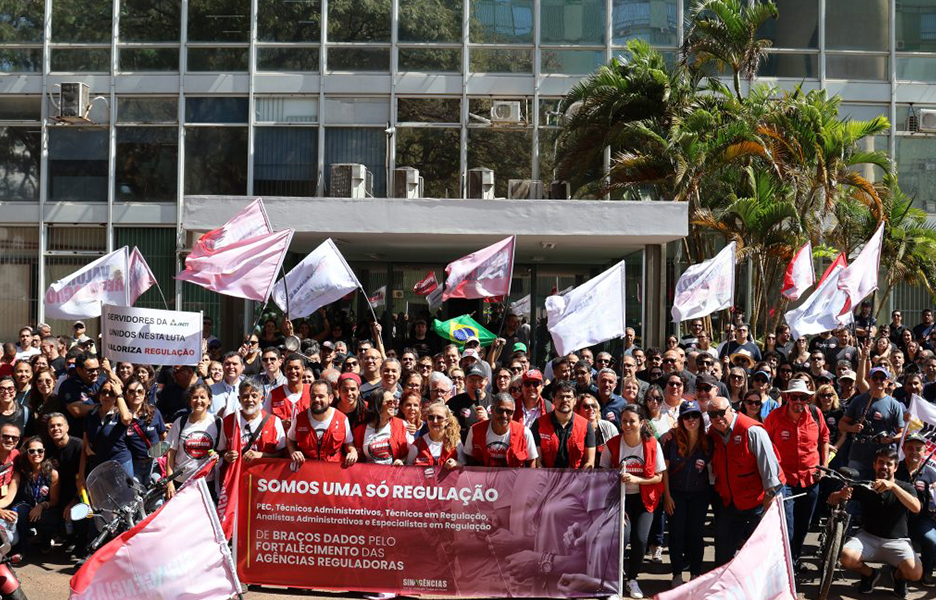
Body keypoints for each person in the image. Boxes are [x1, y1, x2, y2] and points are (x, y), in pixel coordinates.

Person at [832, 447, 922, 597]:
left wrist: (893, 487)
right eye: (881, 462)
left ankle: (898, 578)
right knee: (846, 557)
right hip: (867, 538)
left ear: (896, 467)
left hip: (897, 541)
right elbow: (831, 500)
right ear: (874, 465)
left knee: (915, 573)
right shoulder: (864, 485)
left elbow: (916, 507)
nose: (884, 467)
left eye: (889, 463)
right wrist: (840, 494)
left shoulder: (906, 487)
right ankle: (870, 574)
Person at [708, 396, 785, 567]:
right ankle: (723, 588)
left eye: (721, 413)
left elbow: (770, 470)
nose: (717, 418)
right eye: (712, 414)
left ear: (731, 410)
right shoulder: (713, 433)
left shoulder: (752, 431)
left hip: (758, 500)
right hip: (731, 500)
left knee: (756, 553)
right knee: (722, 549)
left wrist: (769, 498)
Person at [599, 404, 665, 599]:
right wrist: (615, 478)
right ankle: (614, 581)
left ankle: (632, 579)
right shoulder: (612, 444)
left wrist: (638, 480)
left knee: (641, 539)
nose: (627, 425)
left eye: (632, 421)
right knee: (622, 538)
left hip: (644, 500)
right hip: (620, 499)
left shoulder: (652, 443)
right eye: (624, 421)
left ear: (642, 422)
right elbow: (602, 473)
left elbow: (659, 477)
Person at [763, 378, 829, 566]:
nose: (799, 401)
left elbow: (825, 438)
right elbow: (765, 445)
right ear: (787, 397)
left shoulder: (816, 414)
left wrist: (823, 466)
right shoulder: (775, 417)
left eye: (803, 398)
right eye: (794, 397)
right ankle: (785, 566)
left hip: (811, 479)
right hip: (785, 480)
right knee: (787, 526)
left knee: (803, 525)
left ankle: (794, 558)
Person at [662, 401, 711, 587]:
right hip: (676, 493)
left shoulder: (708, 440)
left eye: (695, 416)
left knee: (696, 534)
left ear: (700, 417)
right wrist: (666, 495)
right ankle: (676, 574)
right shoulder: (671, 440)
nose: (691, 420)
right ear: (681, 420)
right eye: (687, 416)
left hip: (699, 494)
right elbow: (664, 470)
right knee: (676, 534)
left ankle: (696, 574)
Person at [839, 366, 905, 480]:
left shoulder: (894, 405)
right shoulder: (858, 400)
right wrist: (852, 428)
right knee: (853, 487)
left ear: (887, 382)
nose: (878, 381)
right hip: (858, 454)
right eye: (875, 378)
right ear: (869, 380)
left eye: (882, 378)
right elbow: (842, 424)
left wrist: (891, 439)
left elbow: (902, 432)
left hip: (882, 458)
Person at [165, 383, 220, 500]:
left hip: (205, 482)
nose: (198, 400)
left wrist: (217, 455)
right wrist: (169, 482)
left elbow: (222, 451)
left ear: (209, 400)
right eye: (195, 397)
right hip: (180, 481)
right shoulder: (180, 422)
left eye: (202, 397)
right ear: (190, 400)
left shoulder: (217, 422)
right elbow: (170, 454)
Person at [896, 433, 936, 587]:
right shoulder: (895, 469)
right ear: (903, 449)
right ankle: (897, 571)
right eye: (910, 448)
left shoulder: (931, 474)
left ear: (924, 451)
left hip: (922, 520)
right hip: (897, 520)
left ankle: (926, 572)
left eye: (918, 449)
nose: (914, 452)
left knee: (933, 541)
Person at [287, 380, 358, 466]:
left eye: (321, 396)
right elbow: (290, 440)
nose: (316, 400)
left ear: (330, 398)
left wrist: (353, 452)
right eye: (313, 396)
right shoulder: (300, 419)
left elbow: (349, 443)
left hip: (334, 469)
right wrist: (293, 452)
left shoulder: (342, 419)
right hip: (306, 469)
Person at [218, 380, 286, 465]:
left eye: (254, 396)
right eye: (245, 396)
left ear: (261, 399)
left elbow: (283, 453)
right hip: (237, 475)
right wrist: (226, 455)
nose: (250, 400)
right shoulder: (229, 421)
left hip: (264, 476)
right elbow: (220, 451)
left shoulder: (274, 422)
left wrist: (262, 455)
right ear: (239, 399)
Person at [79, 378, 133, 485]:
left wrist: (119, 394)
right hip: (99, 466)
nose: (107, 396)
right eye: (104, 392)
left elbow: (127, 419)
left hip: (120, 464)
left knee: (125, 499)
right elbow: (84, 447)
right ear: (99, 395)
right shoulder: (91, 415)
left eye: (112, 393)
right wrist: (81, 475)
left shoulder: (121, 414)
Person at [532, 381, 596, 469]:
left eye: (569, 397)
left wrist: (579, 480)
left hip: (576, 479)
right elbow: (537, 462)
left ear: (575, 401)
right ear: (553, 400)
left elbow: (590, 462)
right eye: (560, 397)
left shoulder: (586, 426)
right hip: (546, 478)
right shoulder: (539, 424)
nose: (565, 400)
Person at [461, 394, 537, 468]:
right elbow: (470, 462)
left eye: (509, 412)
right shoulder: (475, 430)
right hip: (483, 479)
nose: (504, 415)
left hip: (514, 479)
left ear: (513, 413)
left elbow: (531, 463)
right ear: (492, 410)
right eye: (500, 410)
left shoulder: (524, 432)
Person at [13, 436, 59, 556]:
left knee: (47, 516)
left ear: (44, 452)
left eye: (40, 451)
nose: (36, 454)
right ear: (26, 453)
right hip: (26, 506)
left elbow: (55, 500)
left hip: (44, 508)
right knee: (20, 512)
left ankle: (45, 541)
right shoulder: (22, 471)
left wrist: (41, 506)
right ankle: (20, 550)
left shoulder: (52, 473)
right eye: (31, 451)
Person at [124, 377, 166, 486]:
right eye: (131, 391)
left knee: (157, 498)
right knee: (136, 497)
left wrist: (161, 457)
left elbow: (163, 436)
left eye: (139, 391)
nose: (136, 394)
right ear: (125, 394)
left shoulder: (154, 412)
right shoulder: (123, 417)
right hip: (134, 465)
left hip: (154, 463)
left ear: (144, 394)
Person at [353, 390, 412, 465]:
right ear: (377, 405)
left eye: (394, 402)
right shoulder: (360, 431)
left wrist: (402, 461)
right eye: (389, 402)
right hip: (369, 474)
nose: (393, 405)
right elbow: (358, 459)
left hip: (395, 474)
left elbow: (412, 453)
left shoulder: (402, 425)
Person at [406, 403, 462, 468]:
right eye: (431, 417)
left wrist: (456, 464)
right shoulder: (417, 444)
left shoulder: (455, 442)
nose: (435, 421)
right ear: (427, 420)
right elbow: (408, 468)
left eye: (439, 418)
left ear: (446, 422)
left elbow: (465, 466)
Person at [265, 353, 310, 432]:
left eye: (296, 368)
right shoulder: (274, 394)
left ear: (303, 369)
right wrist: (279, 423)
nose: (293, 371)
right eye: (289, 368)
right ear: (284, 370)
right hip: (282, 442)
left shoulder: (311, 391)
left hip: (306, 441)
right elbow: (263, 421)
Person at [449, 365, 491, 439]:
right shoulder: (454, 402)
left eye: (480, 380)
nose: (476, 383)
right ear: (465, 381)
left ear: (486, 381)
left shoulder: (495, 402)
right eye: (472, 379)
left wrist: (487, 421)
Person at [26, 367, 63, 437]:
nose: (44, 384)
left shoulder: (59, 402)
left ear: (54, 383)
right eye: (40, 381)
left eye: (48, 381)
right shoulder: (35, 403)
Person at [209, 352, 244, 418]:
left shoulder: (248, 391)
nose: (231, 367)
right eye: (227, 364)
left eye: (235, 364)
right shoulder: (210, 390)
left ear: (242, 367)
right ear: (223, 367)